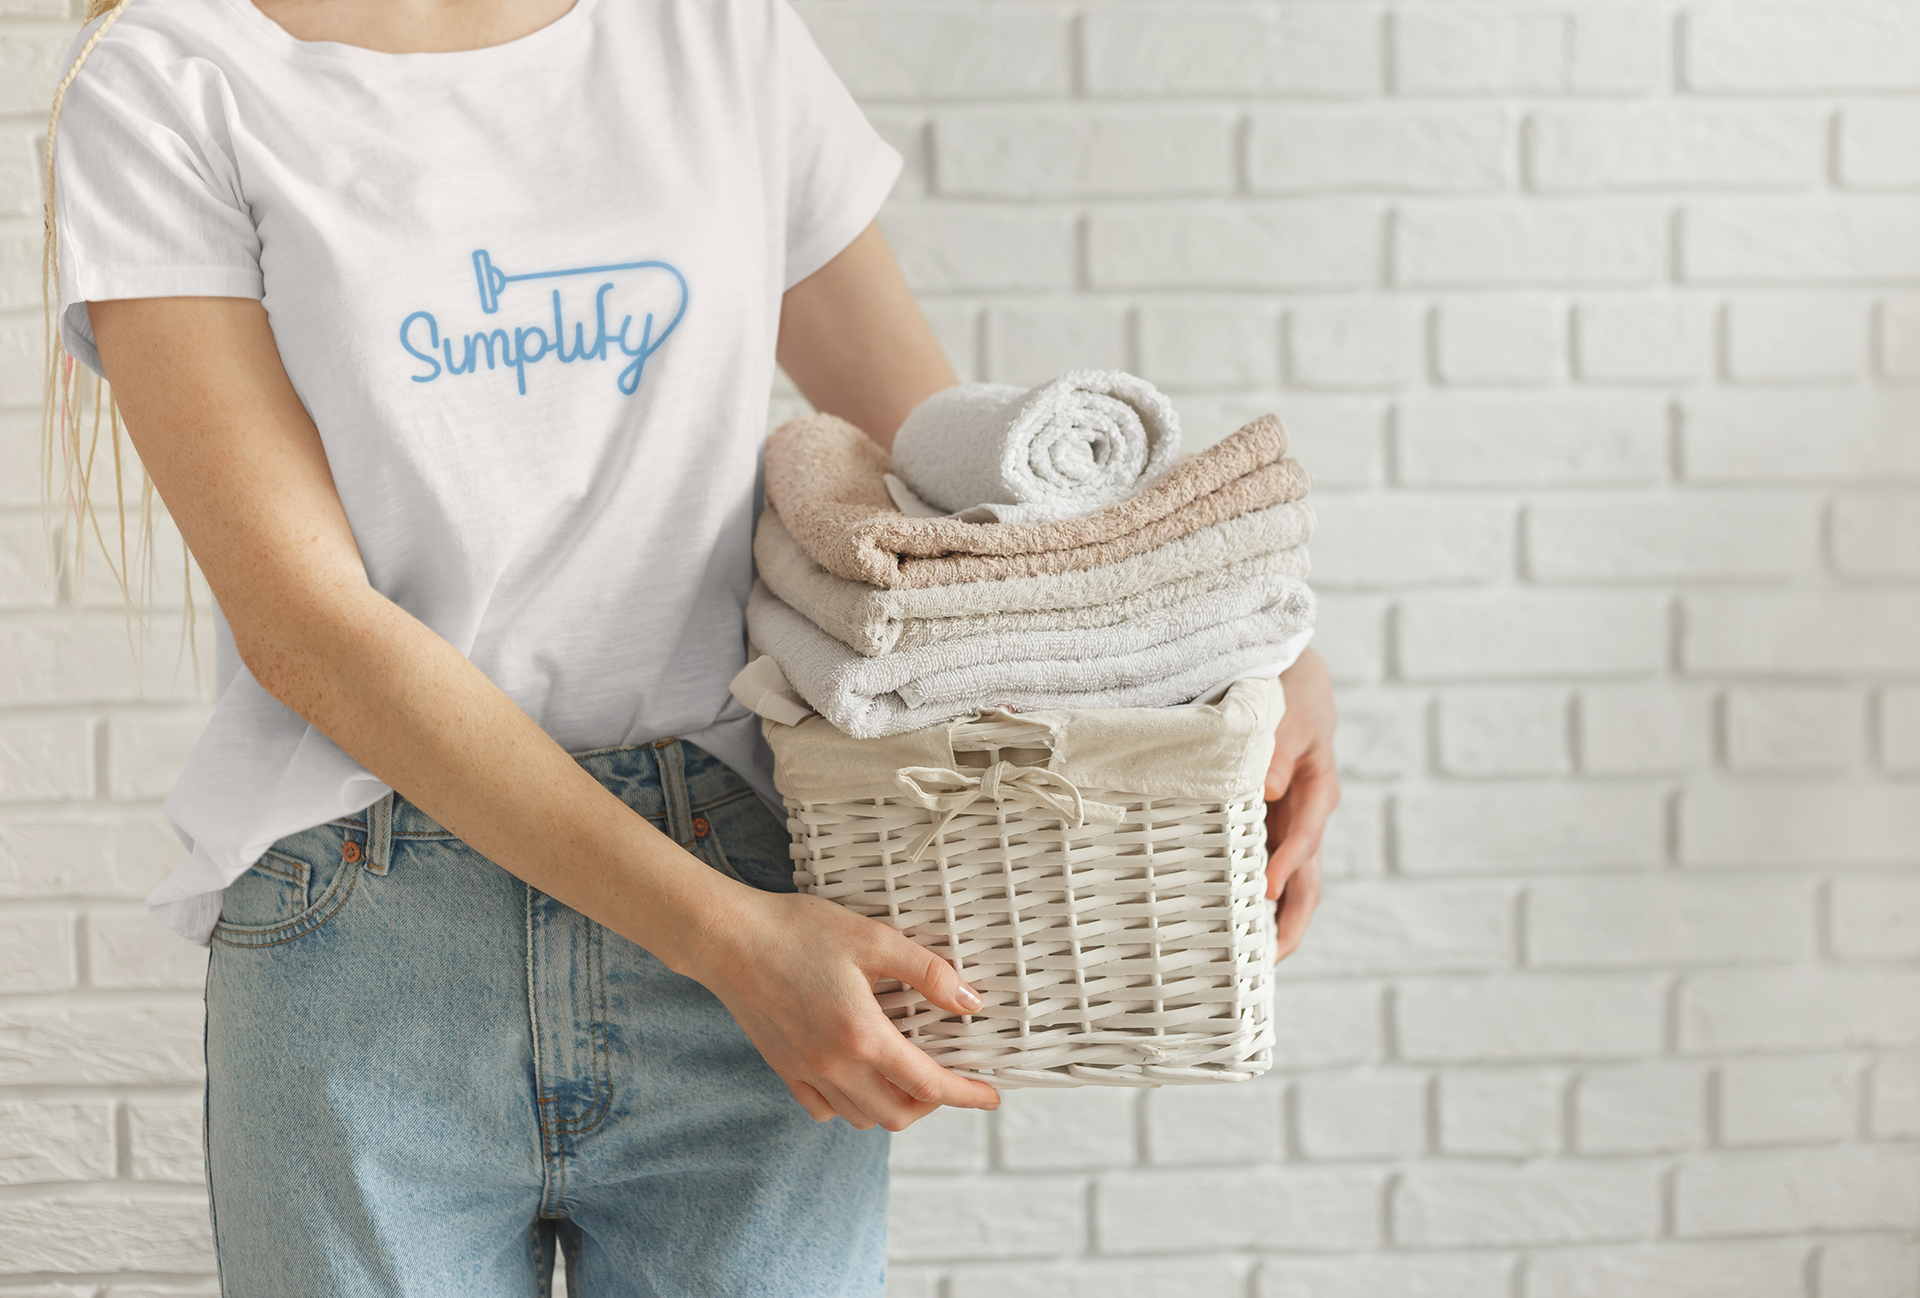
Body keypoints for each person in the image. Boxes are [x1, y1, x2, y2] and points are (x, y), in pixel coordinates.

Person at [43, 0, 1341, 1290]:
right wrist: (725, 939)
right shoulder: (172, 77)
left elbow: (947, 471)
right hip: (384, 934)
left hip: (748, 888)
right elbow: (306, 626)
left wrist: (1231, 641)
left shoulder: (713, 32)